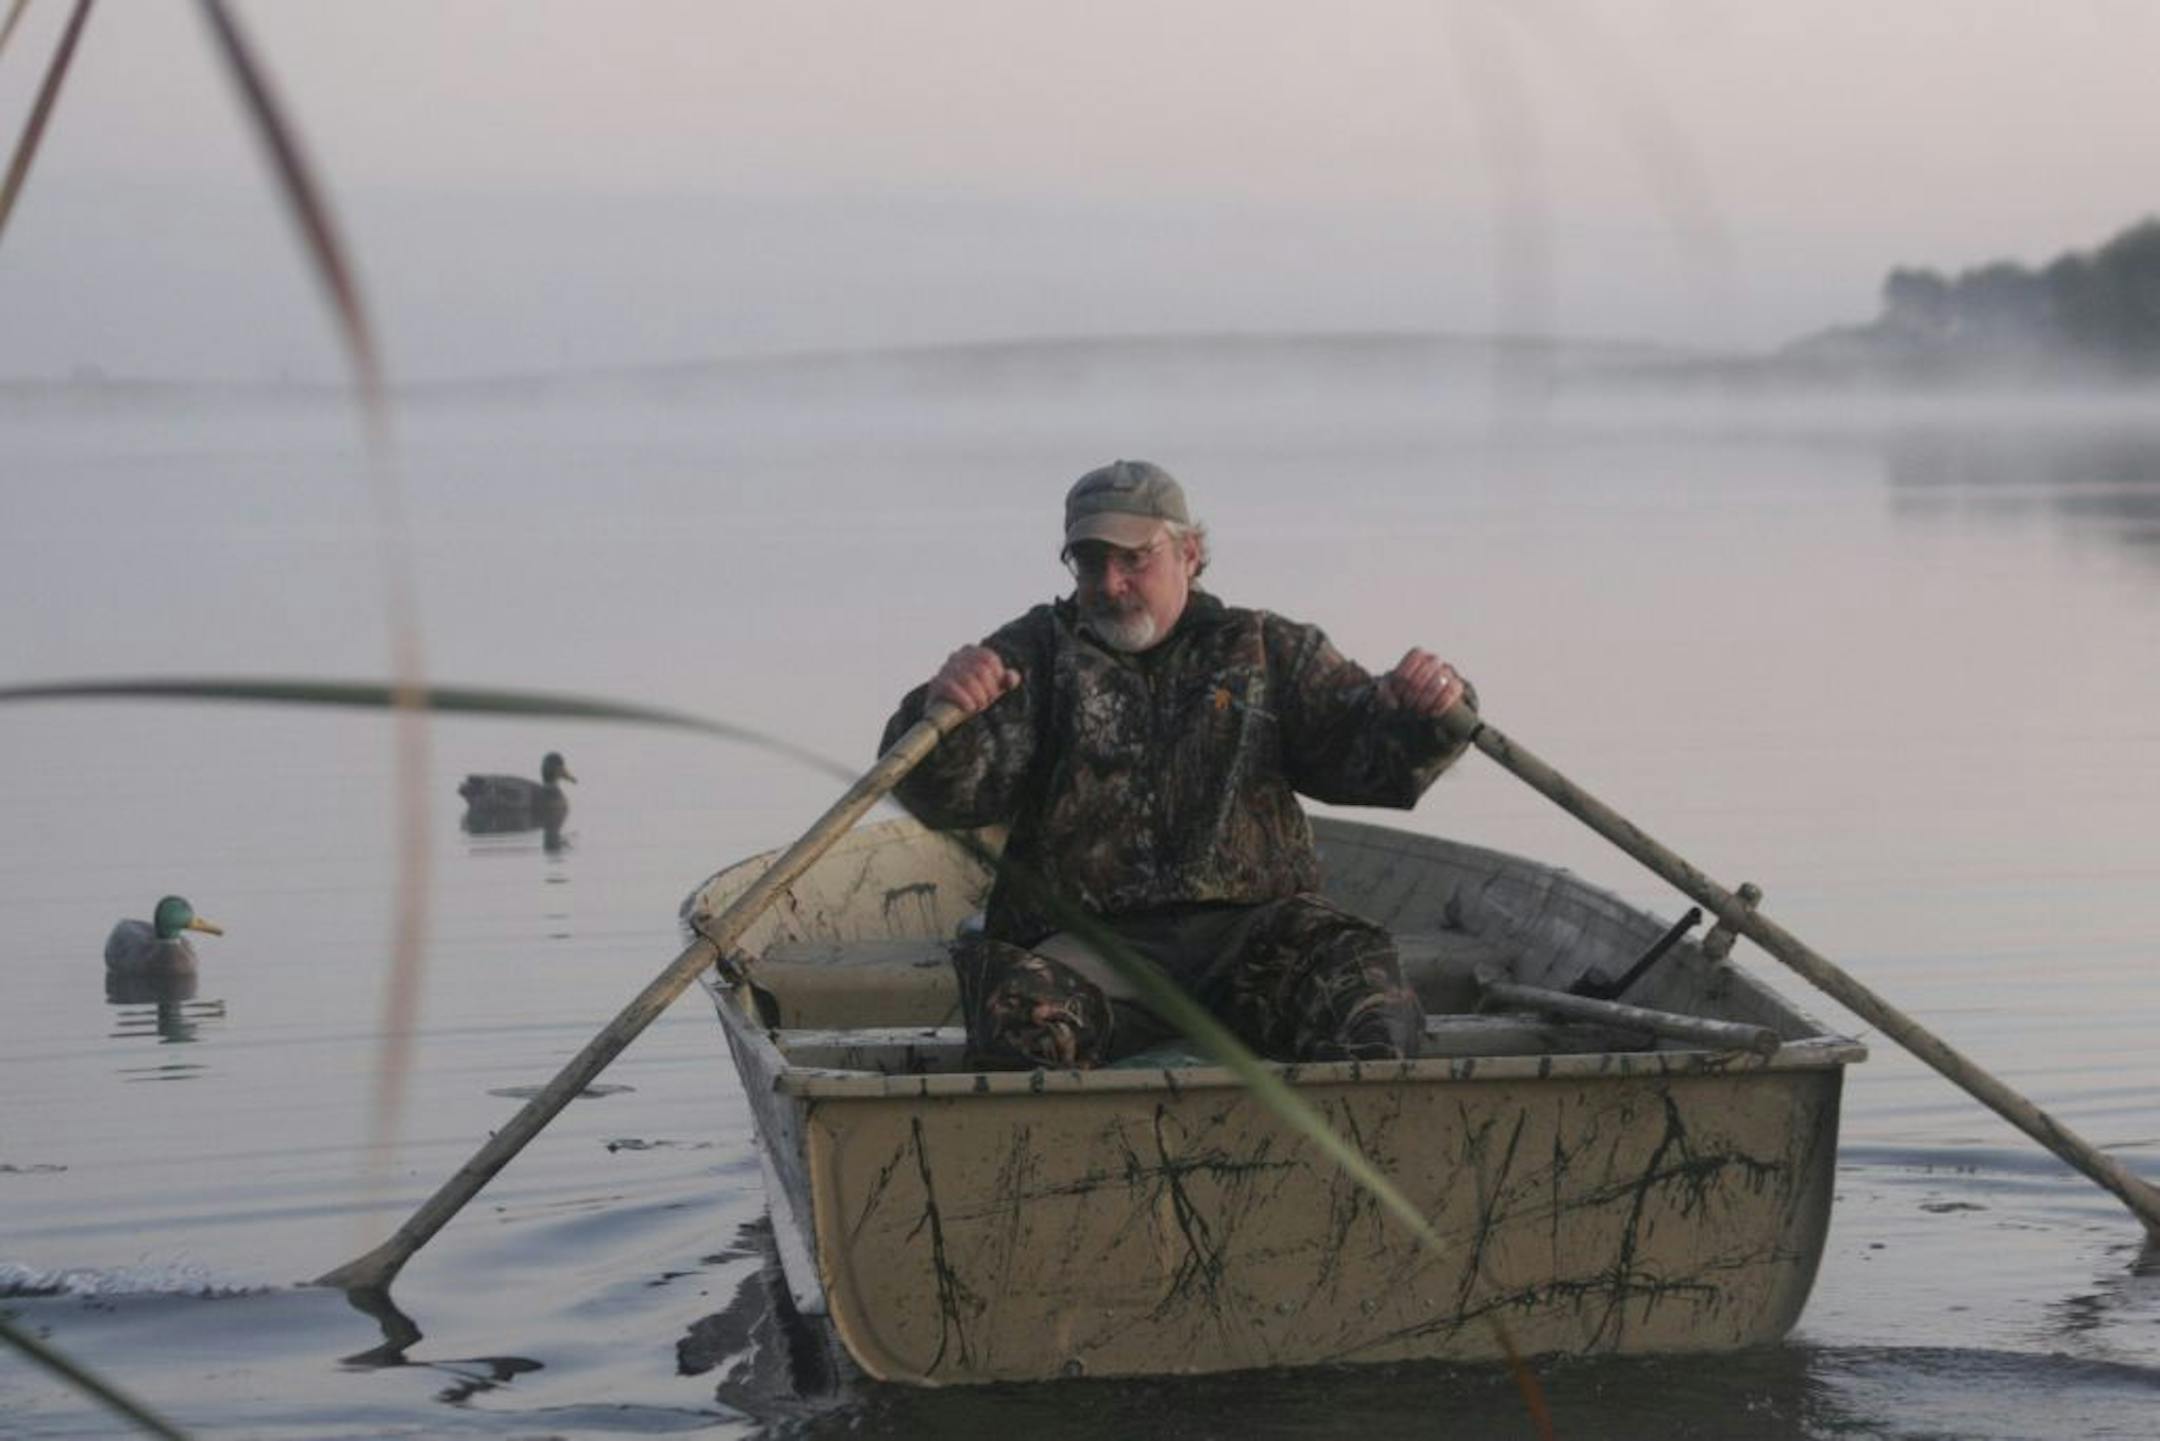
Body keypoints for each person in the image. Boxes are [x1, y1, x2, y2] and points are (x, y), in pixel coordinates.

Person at [880, 459, 1476, 1071]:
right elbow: (945, 797)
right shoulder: (1029, 656)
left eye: (1133, 559)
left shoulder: (1265, 649)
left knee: (1367, 995)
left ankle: (1348, 1132)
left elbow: (1369, 759)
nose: (1110, 582)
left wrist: (1426, 712)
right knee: (1017, 1021)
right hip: (1088, 947)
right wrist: (942, 709)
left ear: (1189, 553)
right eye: (1090, 562)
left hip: (1253, 941)